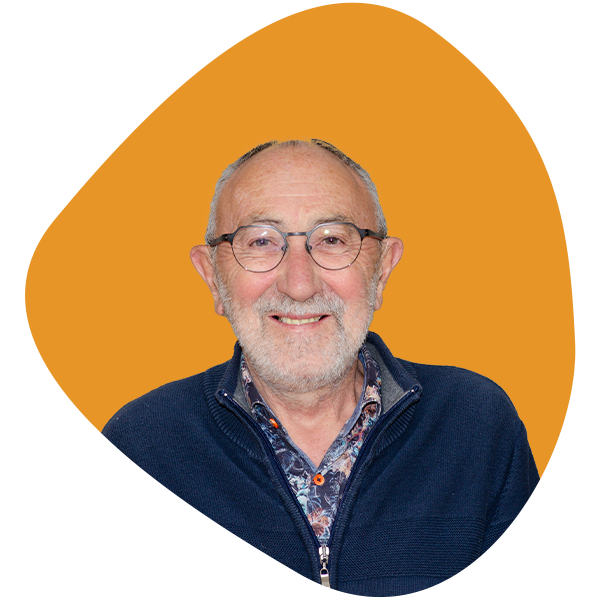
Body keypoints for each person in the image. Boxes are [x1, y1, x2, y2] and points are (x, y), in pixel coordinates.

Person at [63, 139, 562, 598]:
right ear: (213, 277)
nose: (299, 284)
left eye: (332, 240)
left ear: (382, 269)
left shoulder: (476, 424)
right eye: (261, 241)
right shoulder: (141, 446)